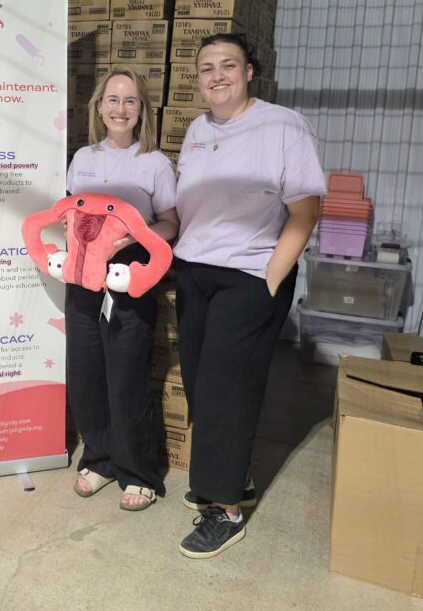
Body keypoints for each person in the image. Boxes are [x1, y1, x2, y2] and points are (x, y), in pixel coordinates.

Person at [173, 33, 325, 559]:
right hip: (194, 272)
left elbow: (305, 211)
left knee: (224, 388)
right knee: (200, 382)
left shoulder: (283, 125)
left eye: (228, 65)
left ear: (250, 71)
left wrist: (271, 278)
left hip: (249, 274)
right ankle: (231, 478)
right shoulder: (196, 130)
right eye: (206, 68)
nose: (217, 75)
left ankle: (225, 512)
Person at [65, 67, 179, 511]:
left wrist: (136, 235)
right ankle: (99, 459)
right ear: (99, 107)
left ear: (142, 111)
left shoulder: (154, 163)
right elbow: (72, 212)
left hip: (131, 273)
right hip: (83, 271)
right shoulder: (82, 157)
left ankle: (137, 472)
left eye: (130, 101)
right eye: (112, 99)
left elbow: (171, 222)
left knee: (126, 374)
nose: (120, 108)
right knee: (87, 371)